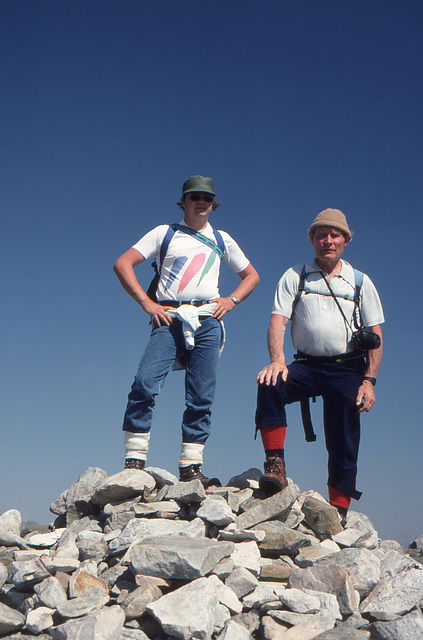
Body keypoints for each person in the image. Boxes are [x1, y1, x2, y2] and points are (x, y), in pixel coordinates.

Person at [114, 175, 259, 485]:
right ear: (183, 201)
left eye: (206, 198)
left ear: (213, 203)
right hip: (169, 317)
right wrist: (147, 303)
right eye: (194, 197)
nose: (200, 202)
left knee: (201, 395)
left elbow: (251, 276)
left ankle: (190, 466)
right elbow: (123, 264)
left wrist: (231, 301)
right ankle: (134, 460)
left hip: (207, 320)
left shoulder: (223, 240)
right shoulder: (163, 233)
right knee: (144, 383)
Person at [255, 208, 384, 523]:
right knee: (270, 383)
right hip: (308, 366)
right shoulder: (295, 276)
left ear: (345, 240)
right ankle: (276, 466)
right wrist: (277, 360)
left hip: (347, 369)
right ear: (312, 239)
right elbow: (278, 321)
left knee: (343, 438)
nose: (328, 240)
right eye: (321, 235)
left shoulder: (360, 282)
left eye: (335, 234)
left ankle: (338, 511)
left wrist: (369, 381)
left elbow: (376, 336)